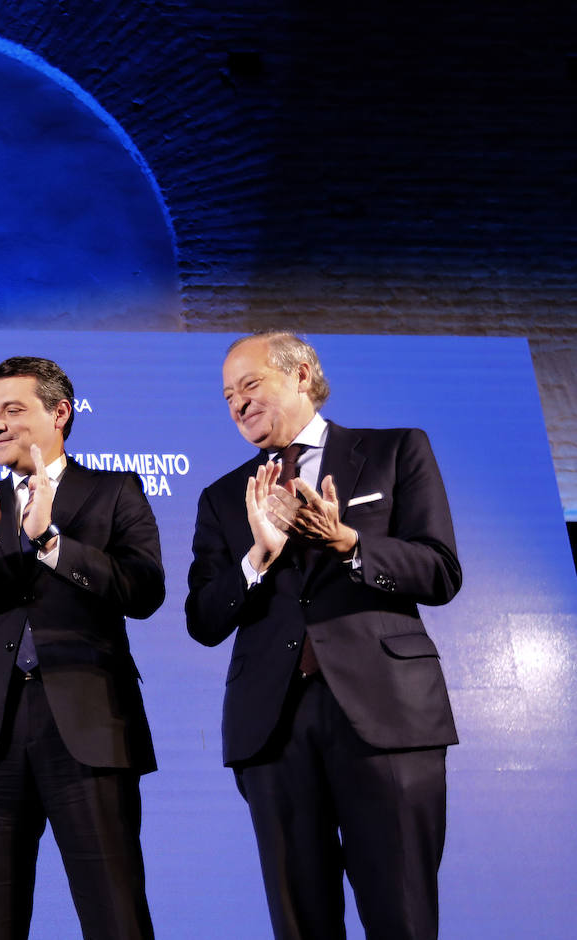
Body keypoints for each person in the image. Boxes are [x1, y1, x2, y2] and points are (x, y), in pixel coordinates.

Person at [186, 331, 462, 938]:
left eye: (250, 384)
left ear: (302, 374)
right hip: (273, 727)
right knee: (300, 921)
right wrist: (256, 558)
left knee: (402, 914)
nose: (237, 404)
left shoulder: (394, 451)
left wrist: (350, 543)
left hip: (387, 713)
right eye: (228, 396)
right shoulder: (224, 497)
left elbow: (440, 571)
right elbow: (203, 619)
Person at [0, 356, 165, 939]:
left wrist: (52, 542)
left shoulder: (114, 492)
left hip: (89, 724)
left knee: (116, 916)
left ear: (60, 413)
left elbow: (144, 591)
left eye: (12, 409)